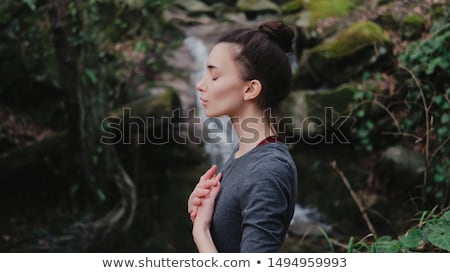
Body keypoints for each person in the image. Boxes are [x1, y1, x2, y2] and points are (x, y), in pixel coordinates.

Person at [187, 20, 298, 253]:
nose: (200, 85)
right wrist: (204, 209)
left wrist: (201, 231)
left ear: (250, 89)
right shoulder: (244, 153)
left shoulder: (267, 170)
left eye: (214, 77)